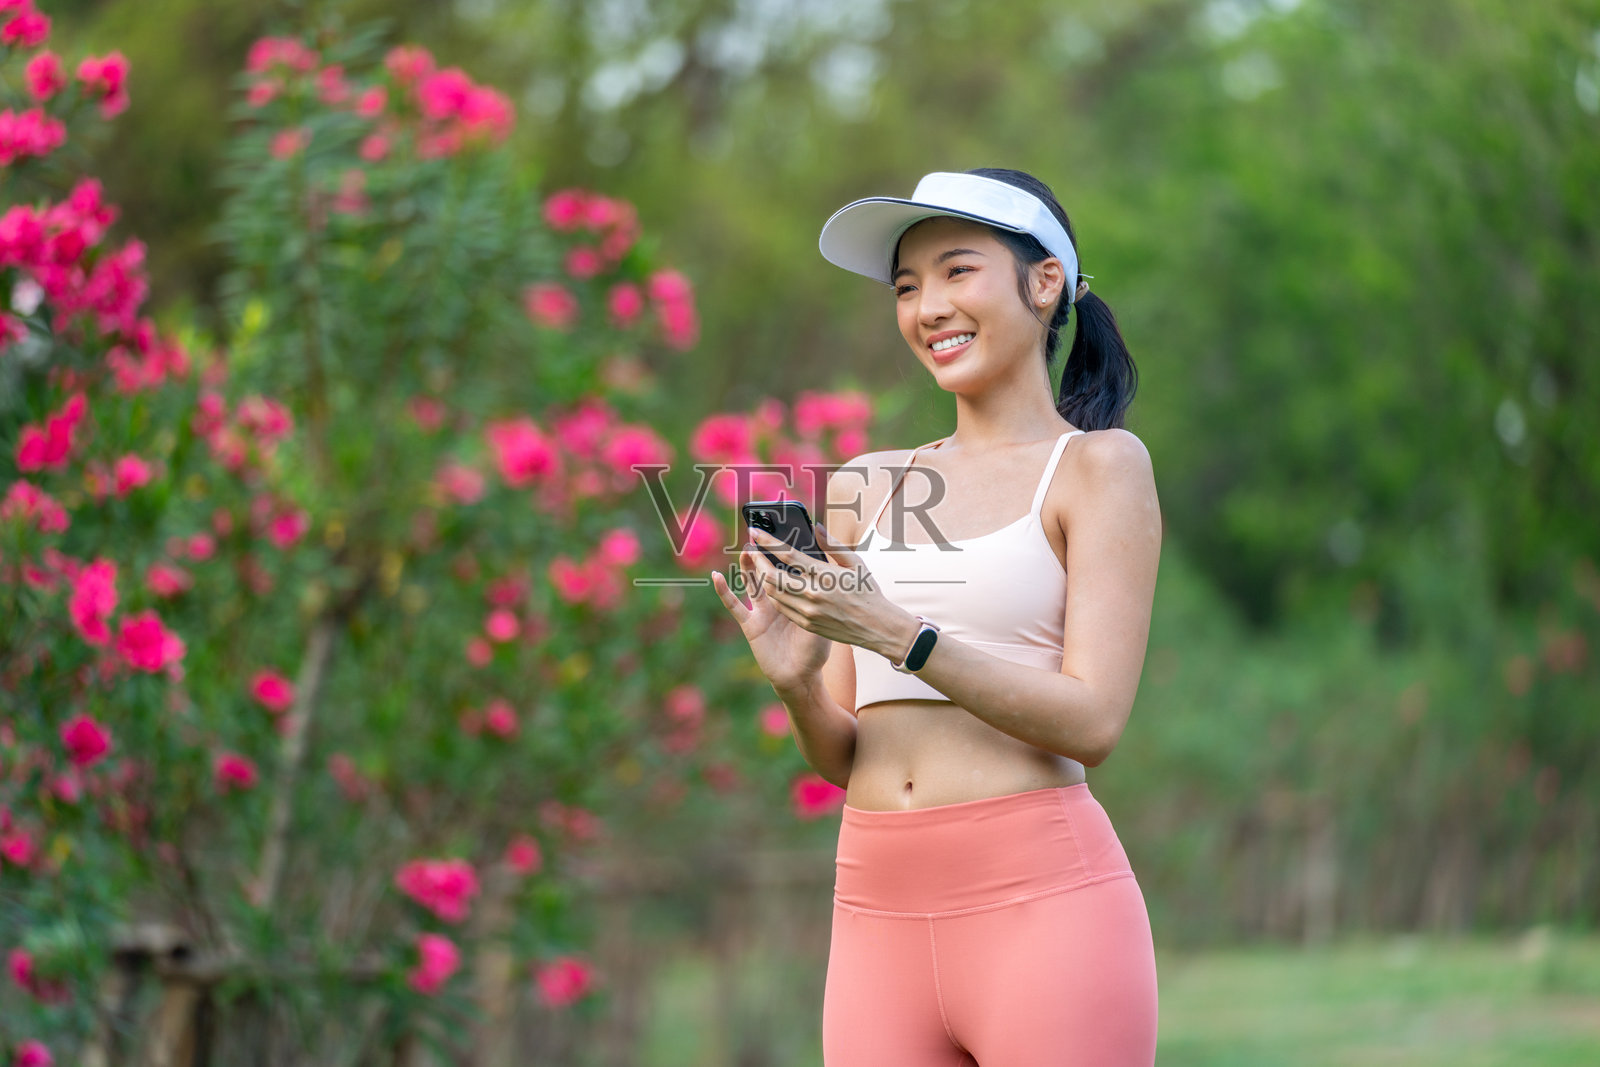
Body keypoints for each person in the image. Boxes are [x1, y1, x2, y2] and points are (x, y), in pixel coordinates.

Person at [711, 168, 1162, 1066]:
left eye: (958, 272)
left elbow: (1095, 720)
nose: (927, 307)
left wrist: (899, 636)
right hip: (875, 906)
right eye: (907, 287)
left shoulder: (1098, 469)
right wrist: (798, 686)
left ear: (1044, 284)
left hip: (1045, 907)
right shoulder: (864, 485)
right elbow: (842, 753)